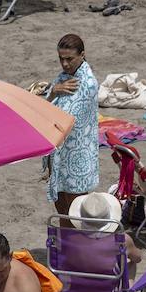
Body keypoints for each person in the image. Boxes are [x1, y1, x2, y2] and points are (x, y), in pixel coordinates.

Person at [46, 35, 99, 217]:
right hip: (61, 156)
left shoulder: (88, 84)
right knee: (61, 212)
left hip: (77, 161)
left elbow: (66, 119)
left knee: (76, 217)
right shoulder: (64, 77)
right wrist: (53, 91)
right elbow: (47, 106)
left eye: (69, 59)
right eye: (61, 59)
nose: (65, 64)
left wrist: (52, 95)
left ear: (82, 55)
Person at [67, 191, 140, 266]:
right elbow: (137, 258)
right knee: (130, 261)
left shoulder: (69, 239)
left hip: (78, 276)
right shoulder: (123, 240)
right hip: (110, 277)